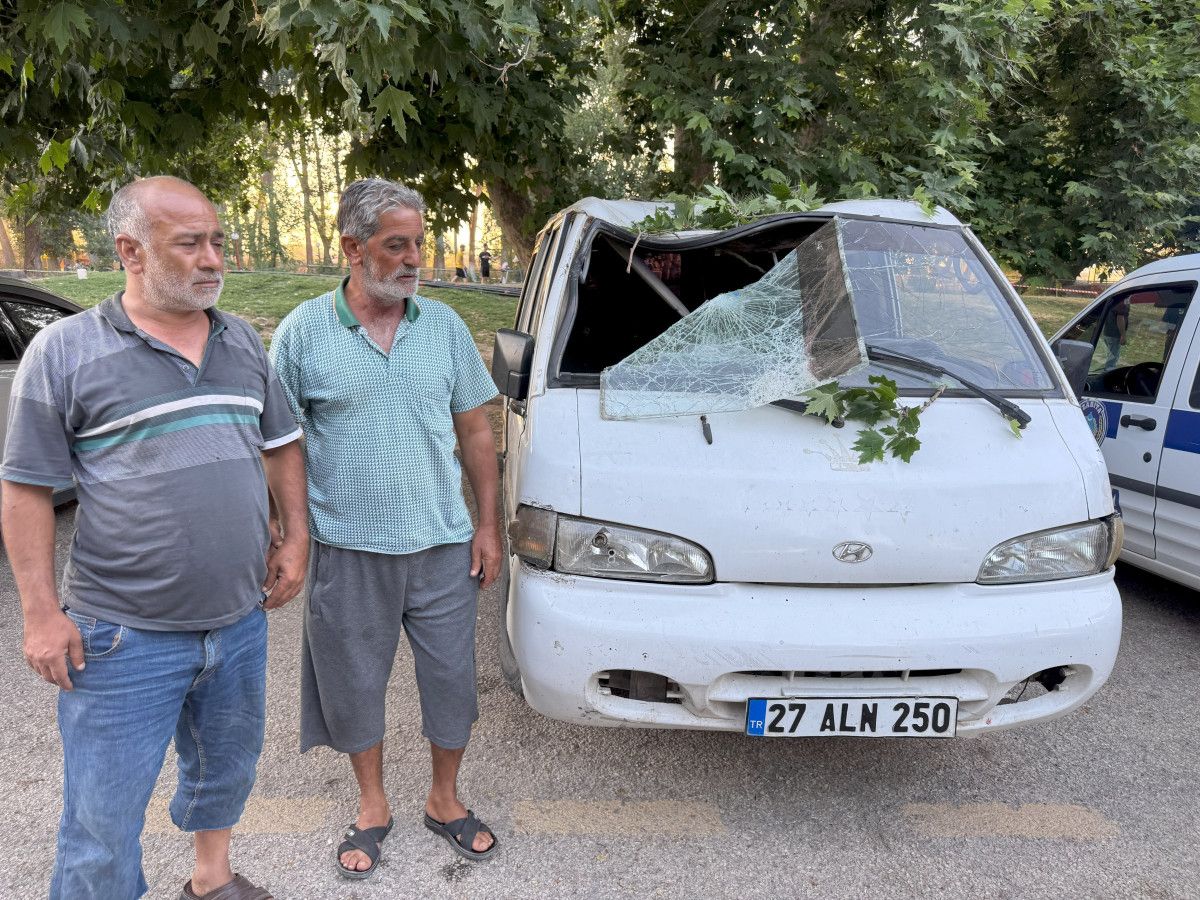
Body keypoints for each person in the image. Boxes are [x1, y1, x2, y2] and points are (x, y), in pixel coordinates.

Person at [1, 176, 309, 900]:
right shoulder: (63, 351)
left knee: (225, 771)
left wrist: (295, 537)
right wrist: (40, 613)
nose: (213, 259)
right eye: (190, 244)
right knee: (101, 821)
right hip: (121, 635)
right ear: (131, 251)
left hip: (237, 621)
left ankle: (211, 880)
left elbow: (281, 444)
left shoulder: (241, 340)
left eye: (218, 242)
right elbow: (25, 488)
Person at [270, 178, 502, 879]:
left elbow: (476, 431)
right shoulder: (303, 332)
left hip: (442, 543)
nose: (414, 259)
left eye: (419, 244)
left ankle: (443, 799)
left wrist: (487, 525)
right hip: (346, 548)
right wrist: (291, 534)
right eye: (396, 245)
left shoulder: (445, 328)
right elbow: (282, 447)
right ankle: (372, 806)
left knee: (452, 682)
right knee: (352, 683)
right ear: (353, 247)